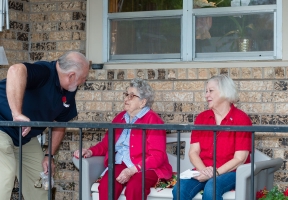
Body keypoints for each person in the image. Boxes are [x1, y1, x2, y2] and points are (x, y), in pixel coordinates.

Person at [0, 51, 89, 200]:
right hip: (2, 126)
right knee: (5, 174)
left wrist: (49, 155)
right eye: (83, 78)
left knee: (40, 180)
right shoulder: (45, 71)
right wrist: (17, 114)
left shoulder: (70, 90)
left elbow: (61, 123)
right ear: (71, 76)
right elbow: (15, 70)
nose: (84, 81)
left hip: (25, 137)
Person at [74, 78, 172, 200]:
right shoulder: (120, 117)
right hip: (121, 163)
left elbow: (157, 156)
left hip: (147, 167)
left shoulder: (153, 120)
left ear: (143, 102)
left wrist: (132, 170)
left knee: (135, 187)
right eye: (126, 94)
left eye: (132, 96)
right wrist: (90, 151)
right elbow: (106, 144)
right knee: (106, 186)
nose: (126, 98)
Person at [172, 75, 252, 200]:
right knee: (179, 189)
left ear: (225, 92)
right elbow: (193, 152)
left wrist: (214, 174)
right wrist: (205, 171)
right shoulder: (202, 118)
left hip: (232, 172)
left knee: (211, 188)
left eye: (211, 91)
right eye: (206, 91)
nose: (206, 95)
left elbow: (240, 159)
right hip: (204, 169)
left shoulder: (241, 119)